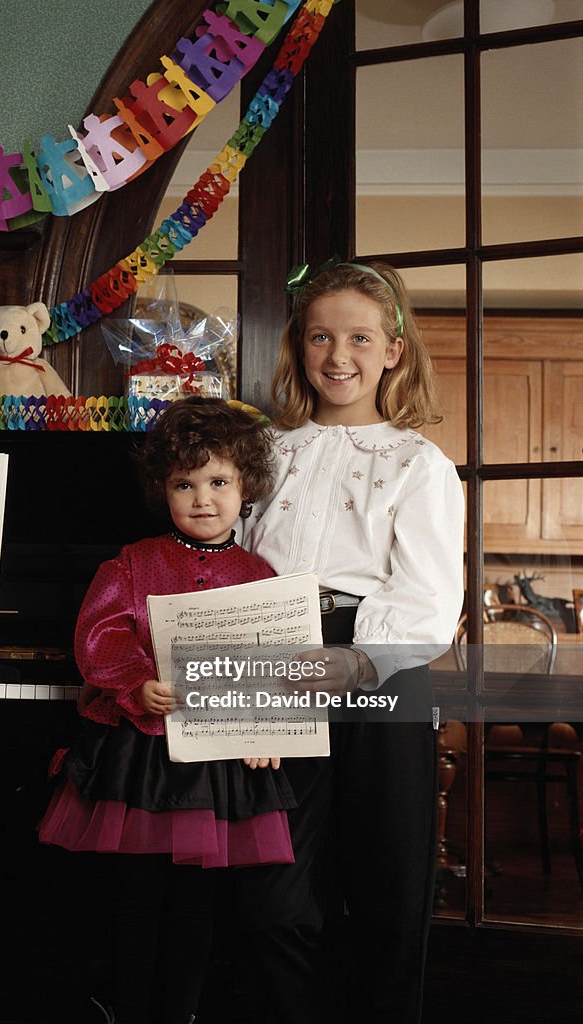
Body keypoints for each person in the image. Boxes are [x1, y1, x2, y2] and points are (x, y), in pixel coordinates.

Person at [236, 259, 464, 1024]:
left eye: (360, 338)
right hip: (272, 656)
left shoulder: (417, 463)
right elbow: (235, 565)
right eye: (321, 336)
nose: (340, 355)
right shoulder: (265, 453)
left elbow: (430, 599)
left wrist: (350, 660)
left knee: (388, 896)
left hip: (380, 666)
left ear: (394, 350)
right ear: (299, 347)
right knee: (273, 898)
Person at [38, 396, 297, 1024]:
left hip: (215, 764)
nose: (202, 498)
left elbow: (278, 659)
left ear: (246, 488)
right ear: (163, 488)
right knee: (134, 899)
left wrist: (269, 726)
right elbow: (99, 634)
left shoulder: (261, 576)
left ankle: (178, 1012)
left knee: (198, 905)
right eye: (185, 484)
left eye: (218, 482)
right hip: (142, 757)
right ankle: (126, 1008)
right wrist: (136, 683)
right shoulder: (134, 562)